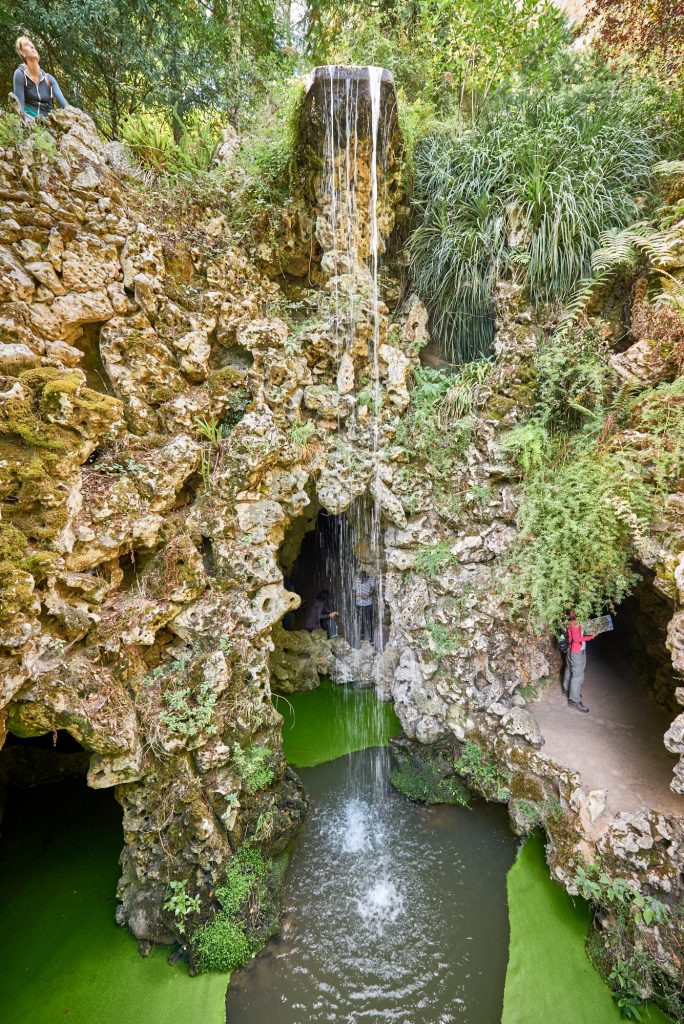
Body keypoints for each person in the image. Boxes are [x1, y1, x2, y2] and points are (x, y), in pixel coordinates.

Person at [12, 36, 68, 121]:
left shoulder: (49, 79)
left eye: (33, 45)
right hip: (28, 120)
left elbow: (64, 104)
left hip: (47, 124)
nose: (32, 46)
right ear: (22, 52)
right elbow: (20, 108)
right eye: (27, 44)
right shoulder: (20, 74)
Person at [563, 611, 596, 713]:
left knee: (569, 669)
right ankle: (574, 701)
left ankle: (567, 689)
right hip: (577, 651)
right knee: (578, 675)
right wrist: (592, 636)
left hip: (570, 649)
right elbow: (577, 639)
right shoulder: (575, 622)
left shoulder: (570, 619)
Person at [352, 570, 375, 644]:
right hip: (359, 604)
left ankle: (371, 638)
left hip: (368, 603)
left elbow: (373, 588)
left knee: (369, 620)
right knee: (361, 620)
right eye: (361, 578)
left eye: (364, 578)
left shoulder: (370, 579)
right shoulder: (356, 580)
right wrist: (359, 595)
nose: (363, 580)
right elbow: (353, 591)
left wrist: (368, 594)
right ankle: (362, 637)